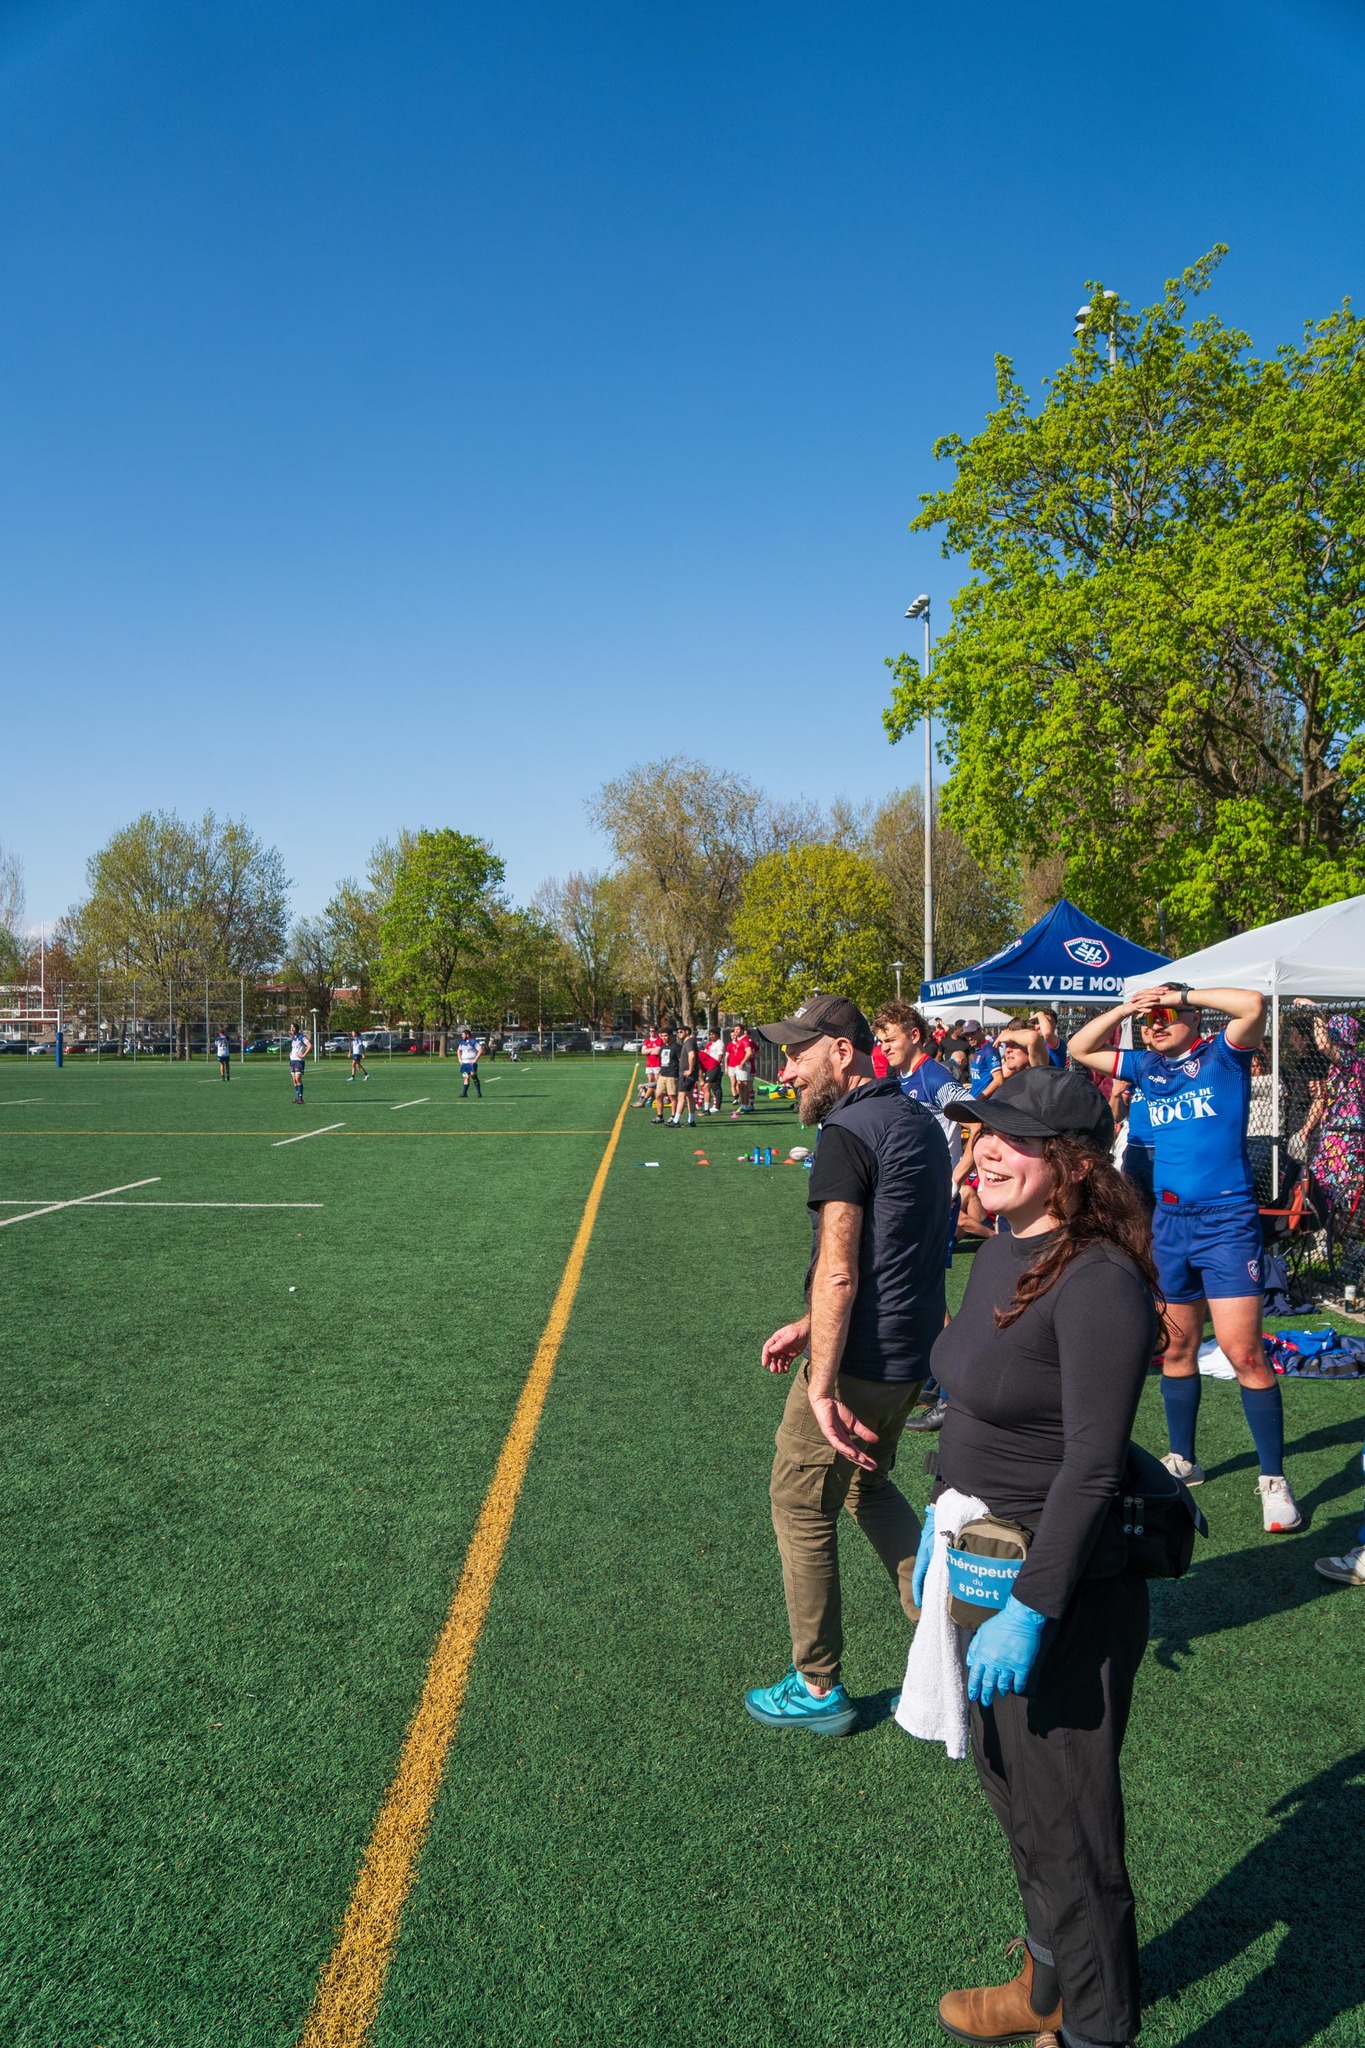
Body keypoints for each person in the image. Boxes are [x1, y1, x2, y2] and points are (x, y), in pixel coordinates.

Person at [914, 1065, 1158, 2048]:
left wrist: (1034, 1605)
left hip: (1059, 1597)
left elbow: (1093, 1465)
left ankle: (1095, 2028)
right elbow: (974, 1402)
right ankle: (1045, 1983)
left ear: (1074, 1161)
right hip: (976, 1571)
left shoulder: (1099, 1280)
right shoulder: (1001, 1248)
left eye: (1011, 1138)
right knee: (1017, 1796)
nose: (986, 1152)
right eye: (981, 1134)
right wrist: (941, 1524)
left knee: (1076, 1830)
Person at [742, 993, 952, 1736]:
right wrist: (809, 1323)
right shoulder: (916, 1120)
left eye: (797, 1052)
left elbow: (839, 1270)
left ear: (840, 1050)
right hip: (909, 1352)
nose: (785, 1068)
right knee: (867, 1486)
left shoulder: (848, 1130)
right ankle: (947, 1630)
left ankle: (817, 1686)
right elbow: (892, 1253)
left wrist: (821, 1382)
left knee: (800, 1505)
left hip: (861, 1357)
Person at [1070, 983, 1300, 1534]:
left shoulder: (1224, 1054)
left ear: (1194, 1017)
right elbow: (1080, 1047)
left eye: (1167, 1015)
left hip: (1227, 1221)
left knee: (1245, 1353)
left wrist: (1184, 991)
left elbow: (1253, 1006)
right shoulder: (1148, 1067)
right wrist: (1130, 1007)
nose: (1155, 1024)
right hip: (1170, 1224)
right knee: (1177, 1346)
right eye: (1149, 1019)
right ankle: (1185, 1459)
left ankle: (1273, 1480)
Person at [981, 1022, 1049, 1096]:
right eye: (1006, 1045)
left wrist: (1008, 1034)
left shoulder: (1037, 1069)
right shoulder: (1005, 1072)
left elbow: (1032, 1037)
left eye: (1015, 1046)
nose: (1007, 1050)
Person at [670, 1026, 698, 1127]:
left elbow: (692, 1055)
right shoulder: (688, 1042)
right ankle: (691, 1120)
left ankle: (676, 1120)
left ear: (687, 1032)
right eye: (677, 1032)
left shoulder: (689, 1042)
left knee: (681, 1096)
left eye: (681, 1032)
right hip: (687, 1074)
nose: (679, 1034)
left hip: (687, 1075)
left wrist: (690, 1070)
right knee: (690, 1097)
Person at [965, 1021, 1002, 1097]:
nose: (969, 1038)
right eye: (966, 1035)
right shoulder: (978, 1050)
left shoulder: (989, 1050)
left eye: (972, 1033)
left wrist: (980, 1099)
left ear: (981, 1031)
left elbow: (998, 1080)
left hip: (985, 1103)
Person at [652, 1025, 678, 1124]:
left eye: (665, 1035)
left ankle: (673, 1116)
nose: (663, 1038)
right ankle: (660, 1116)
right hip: (663, 1074)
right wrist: (659, 1072)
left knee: (672, 1097)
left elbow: (680, 1061)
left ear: (671, 1036)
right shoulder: (662, 1047)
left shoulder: (676, 1047)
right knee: (658, 1096)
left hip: (672, 1075)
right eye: (662, 1036)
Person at [727, 1023, 754, 1115]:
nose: (736, 1032)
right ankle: (743, 1105)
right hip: (738, 1066)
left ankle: (745, 1107)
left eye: (738, 1029)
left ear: (742, 1030)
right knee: (740, 1086)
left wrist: (742, 1062)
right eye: (735, 1030)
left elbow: (749, 1052)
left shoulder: (745, 1040)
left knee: (744, 1086)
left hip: (743, 1065)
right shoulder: (739, 1040)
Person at [698, 1029, 726, 1114]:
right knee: (710, 1087)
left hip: (715, 1067)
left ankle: (716, 1106)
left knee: (715, 1087)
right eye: (710, 1034)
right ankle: (707, 1106)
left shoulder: (719, 1043)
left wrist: (716, 1066)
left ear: (717, 1035)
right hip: (709, 1067)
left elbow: (720, 1056)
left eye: (713, 1034)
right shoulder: (711, 1044)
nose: (711, 1036)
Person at [288, 1023, 311, 1103]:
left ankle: (301, 1098)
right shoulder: (293, 1038)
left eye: (293, 1028)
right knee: (294, 1080)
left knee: (298, 1079)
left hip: (299, 1061)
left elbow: (309, 1045)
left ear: (296, 1029)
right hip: (292, 1061)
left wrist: (304, 1054)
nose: (291, 1030)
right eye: (291, 1028)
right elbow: (295, 1048)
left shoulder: (302, 1037)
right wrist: (291, 1052)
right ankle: (298, 1097)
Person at [457, 1027, 483, 1097]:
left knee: (473, 1076)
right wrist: (459, 1059)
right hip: (464, 1064)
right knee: (466, 1077)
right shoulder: (462, 1042)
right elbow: (458, 1050)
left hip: (472, 1063)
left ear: (467, 1035)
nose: (462, 1036)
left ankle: (478, 1093)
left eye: (463, 1034)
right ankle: (464, 1093)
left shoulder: (473, 1042)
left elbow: (480, 1050)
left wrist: (475, 1060)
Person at [641, 1023, 663, 1103]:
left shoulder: (659, 1040)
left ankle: (658, 1097)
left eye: (653, 1031)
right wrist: (652, 1049)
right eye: (650, 1031)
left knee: (658, 1082)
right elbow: (643, 1052)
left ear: (657, 1032)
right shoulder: (646, 1041)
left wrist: (649, 1050)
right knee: (650, 1081)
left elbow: (657, 1052)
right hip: (649, 1064)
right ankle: (651, 1096)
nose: (651, 1033)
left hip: (657, 1064)